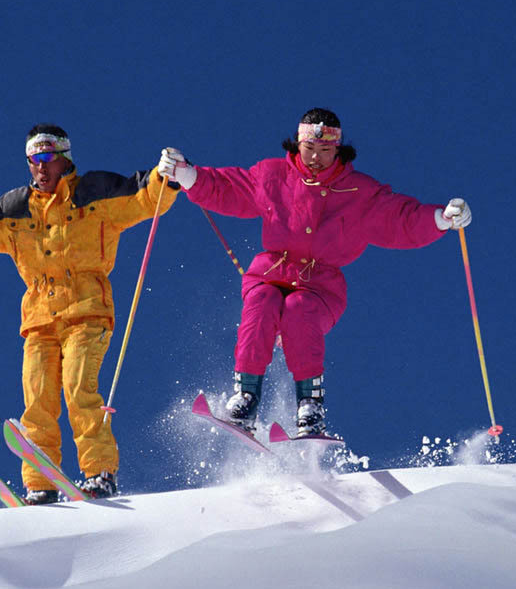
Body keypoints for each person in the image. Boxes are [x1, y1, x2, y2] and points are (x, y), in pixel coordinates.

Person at [157, 107, 471, 436]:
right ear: (297, 146)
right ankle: (245, 395)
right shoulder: (272, 175)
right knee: (261, 302)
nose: (316, 159)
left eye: (325, 151)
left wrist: (440, 218)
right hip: (270, 272)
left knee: (298, 310)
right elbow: (229, 188)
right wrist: (185, 174)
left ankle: (310, 403)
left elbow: (398, 218)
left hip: (320, 286)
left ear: (338, 150)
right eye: (309, 150)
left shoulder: (358, 192)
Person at [0, 124, 178, 503]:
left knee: (79, 390)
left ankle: (99, 473)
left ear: (65, 157)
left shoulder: (94, 192)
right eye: (34, 160)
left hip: (87, 312)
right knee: (39, 400)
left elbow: (146, 198)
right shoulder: (16, 209)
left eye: (48, 158)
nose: (41, 168)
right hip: (39, 320)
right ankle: (40, 483)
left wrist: (168, 174)